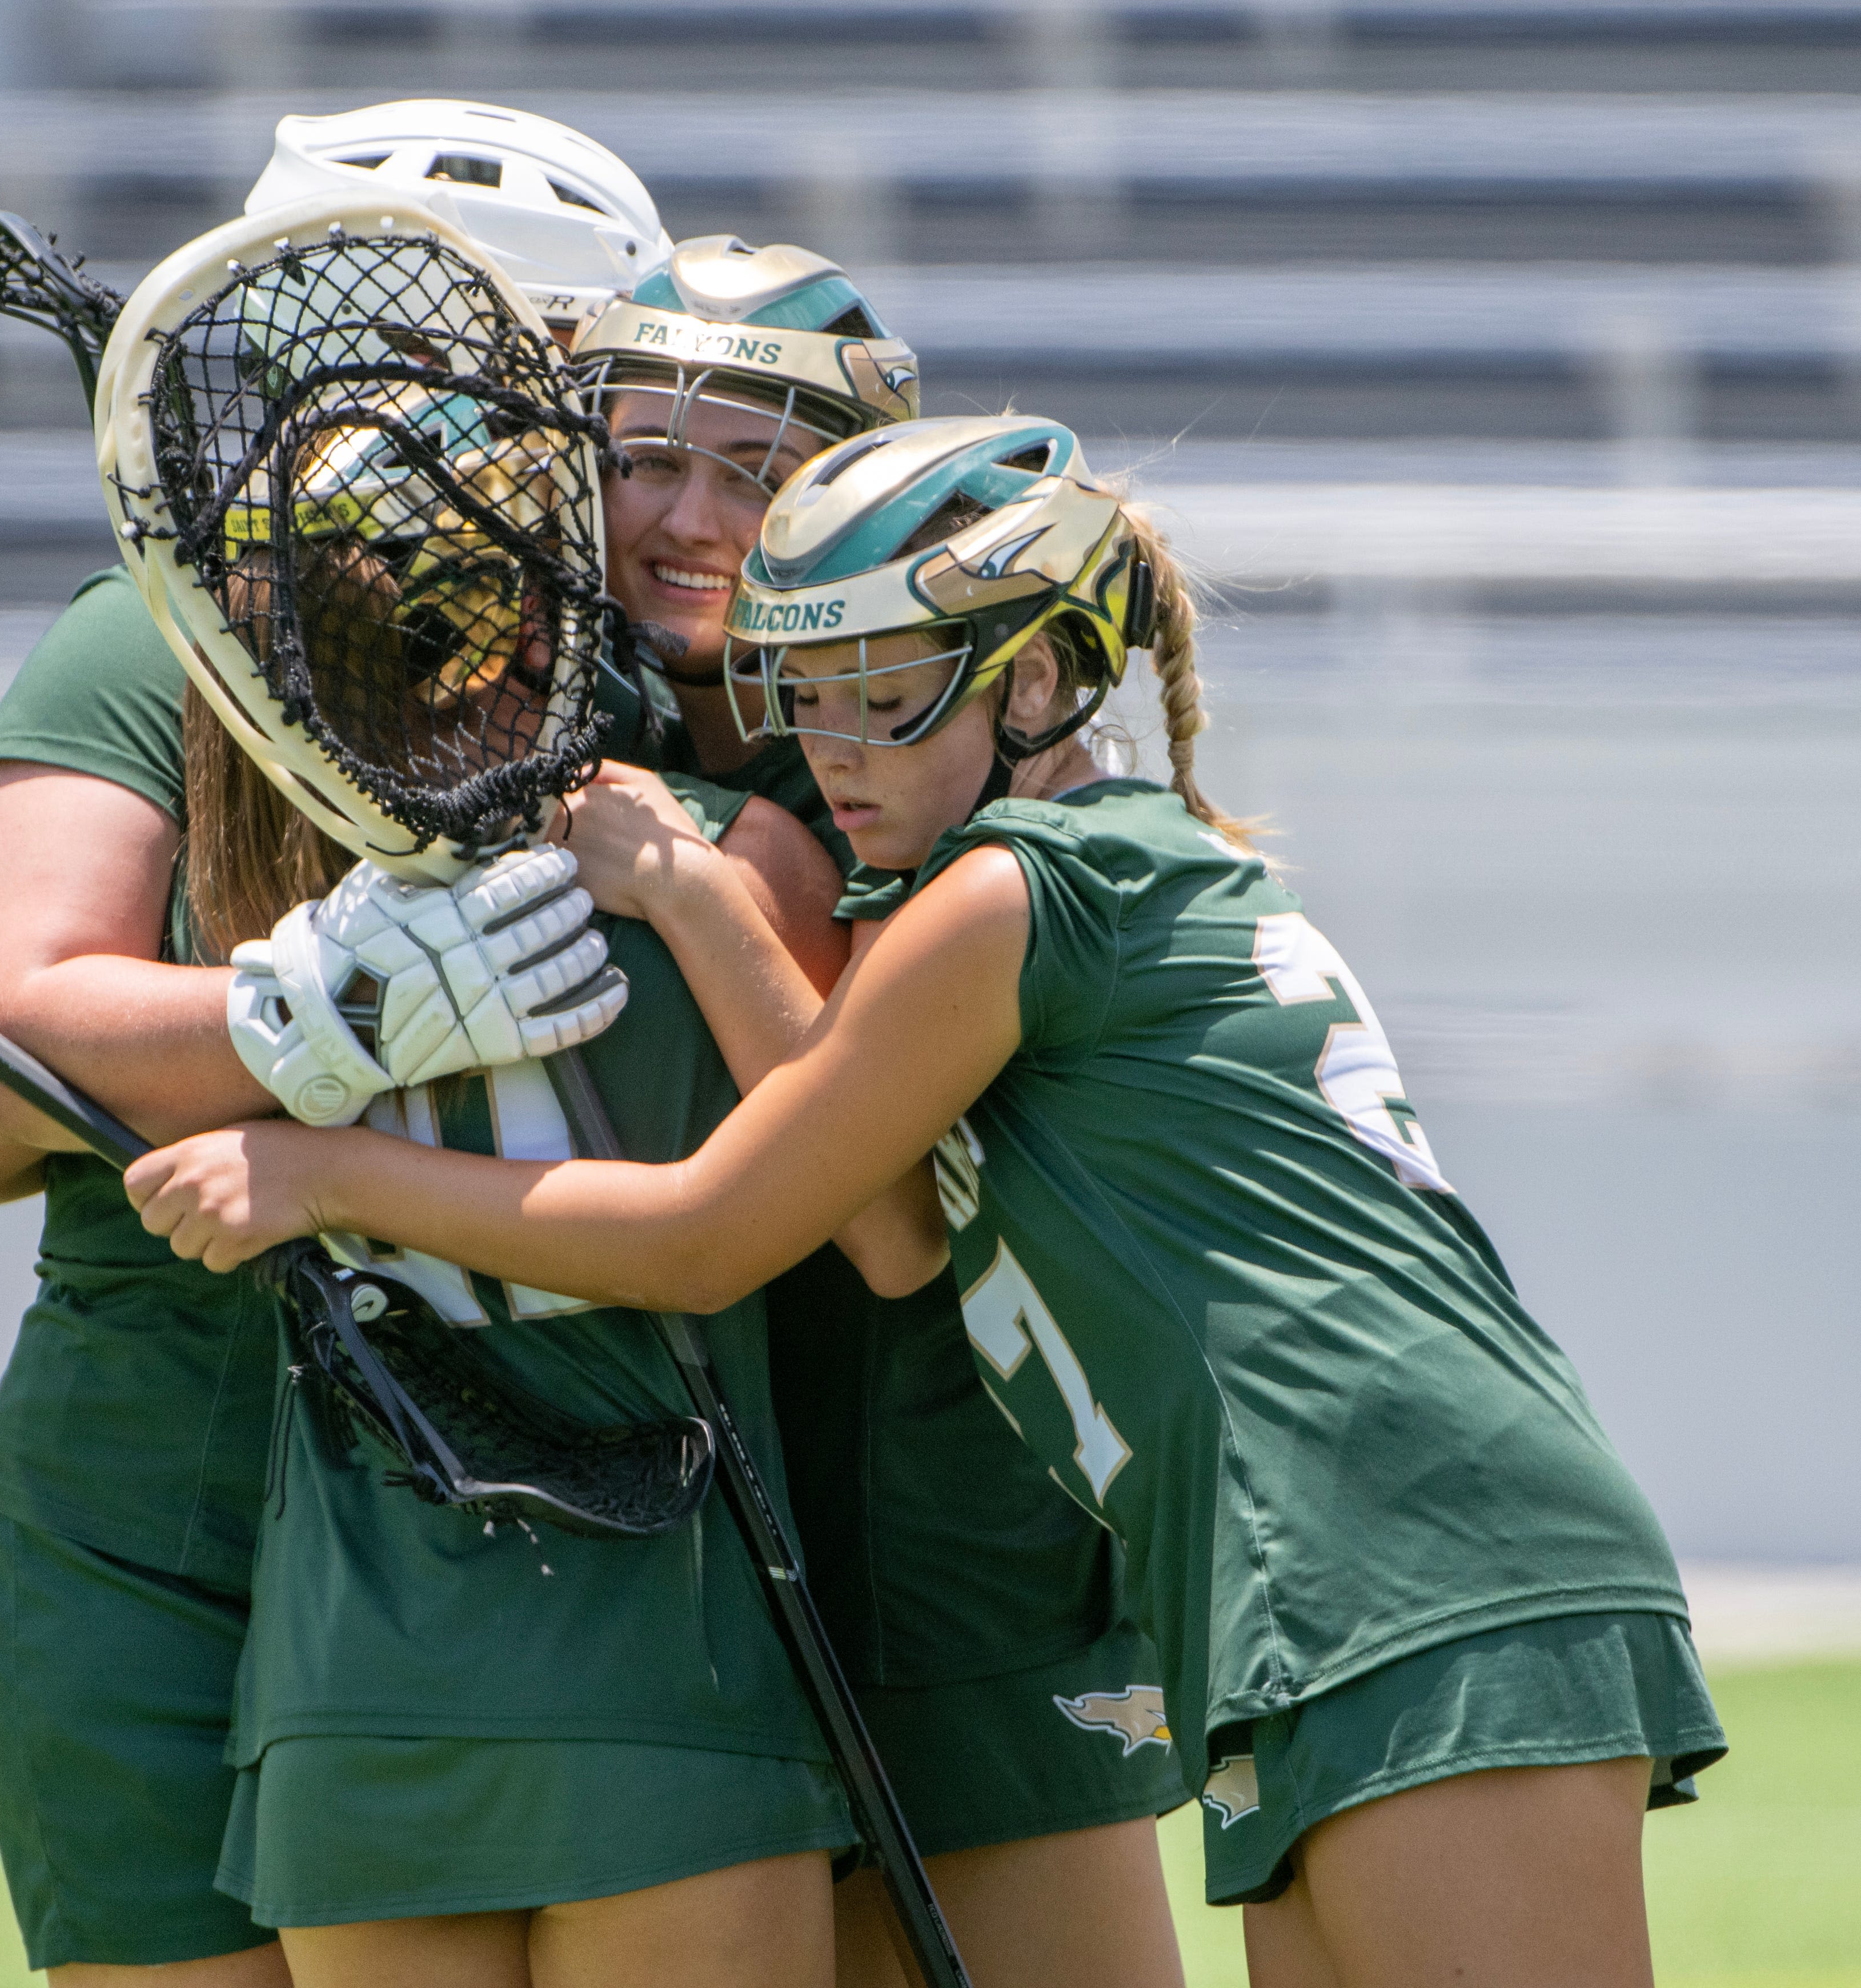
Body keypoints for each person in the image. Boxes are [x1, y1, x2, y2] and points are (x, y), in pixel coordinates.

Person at [127, 414, 1728, 1988]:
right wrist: (698, 896)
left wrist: (319, 1169)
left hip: (1396, 1556)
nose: (833, 751)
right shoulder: (1063, 872)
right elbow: (888, 1229)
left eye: (886, 695)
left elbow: (706, 1236)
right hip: (1300, 1581)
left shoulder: (1010, 892)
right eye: (802, 696)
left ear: (1036, 680)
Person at [0, 109, 676, 1984]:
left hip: (533, 1505)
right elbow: (3, 1048)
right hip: (163, 1504)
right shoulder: (140, 646)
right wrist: (324, 1014)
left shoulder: (638, 675)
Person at [577, 245, 1187, 1988]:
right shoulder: (561, 741)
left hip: (958, 1535)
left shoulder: (920, 777)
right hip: (708, 1575)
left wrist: (696, 893)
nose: (688, 518)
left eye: (754, 470)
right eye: (644, 456)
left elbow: (885, 1209)